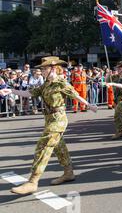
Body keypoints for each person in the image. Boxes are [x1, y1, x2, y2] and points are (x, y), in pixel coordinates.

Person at [0, 57, 97, 195]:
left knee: (43, 145)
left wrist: (89, 105)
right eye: (42, 69)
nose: (42, 71)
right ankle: (68, 172)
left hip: (59, 119)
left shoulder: (61, 82)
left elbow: (74, 94)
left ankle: (33, 181)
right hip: (49, 119)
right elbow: (30, 93)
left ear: (53, 68)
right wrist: (11, 91)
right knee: (59, 147)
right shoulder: (46, 83)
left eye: (44, 69)